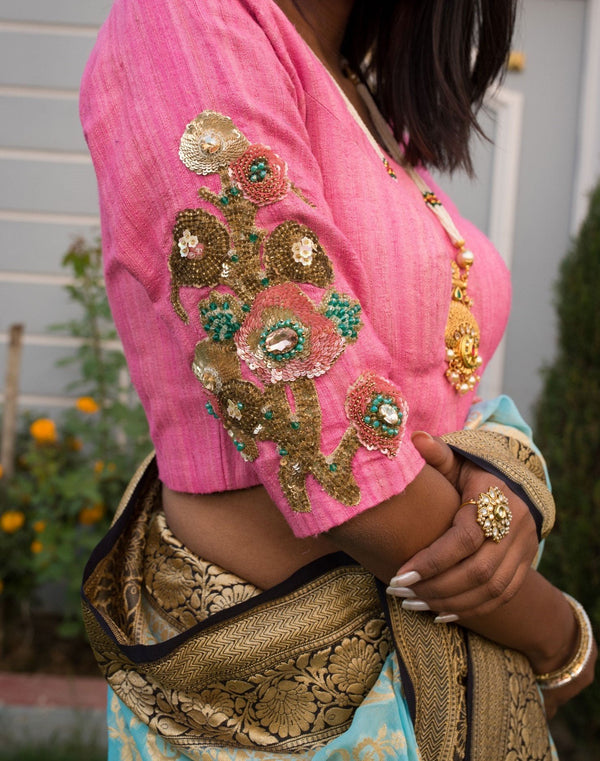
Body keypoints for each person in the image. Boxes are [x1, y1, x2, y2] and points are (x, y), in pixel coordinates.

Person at [80, 1, 596, 759]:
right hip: (285, 710)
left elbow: (429, 391)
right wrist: (558, 633)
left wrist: (502, 477)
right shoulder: (184, 20)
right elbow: (336, 446)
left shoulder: (359, 88)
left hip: (438, 668)